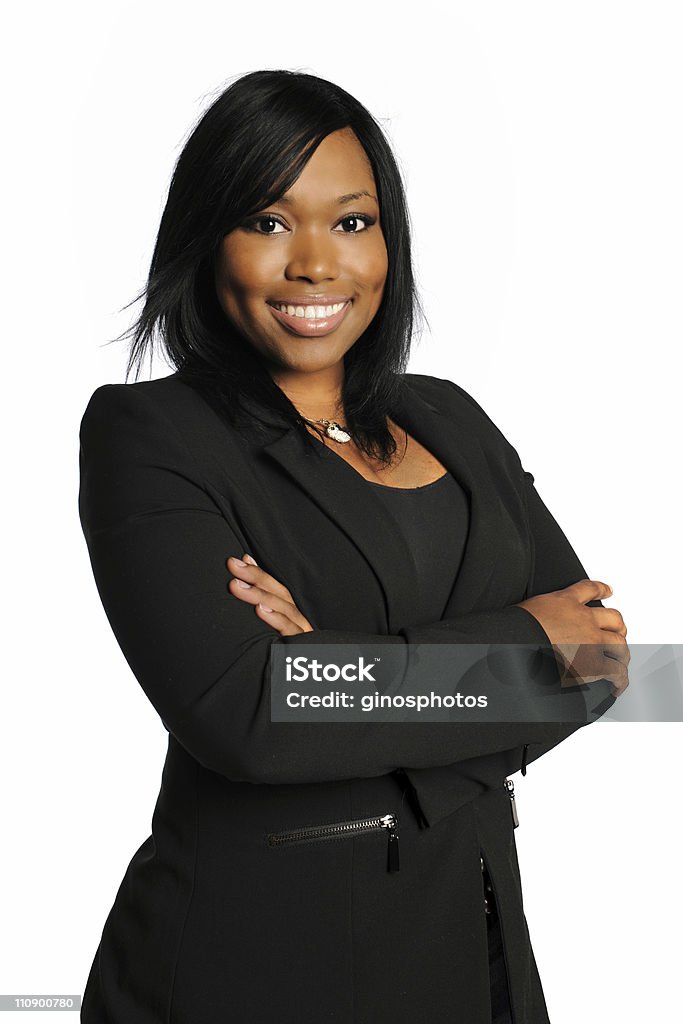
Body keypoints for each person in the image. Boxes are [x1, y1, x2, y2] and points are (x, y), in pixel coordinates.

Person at [78, 69, 629, 1024]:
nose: (315, 265)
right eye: (266, 220)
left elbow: (607, 660)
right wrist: (511, 648)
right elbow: (246, 713)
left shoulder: (449, 417)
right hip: (253, 971)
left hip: (476, 954)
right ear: (207, 239)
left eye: (352, 222)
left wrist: (335, 676)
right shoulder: (152, 434)